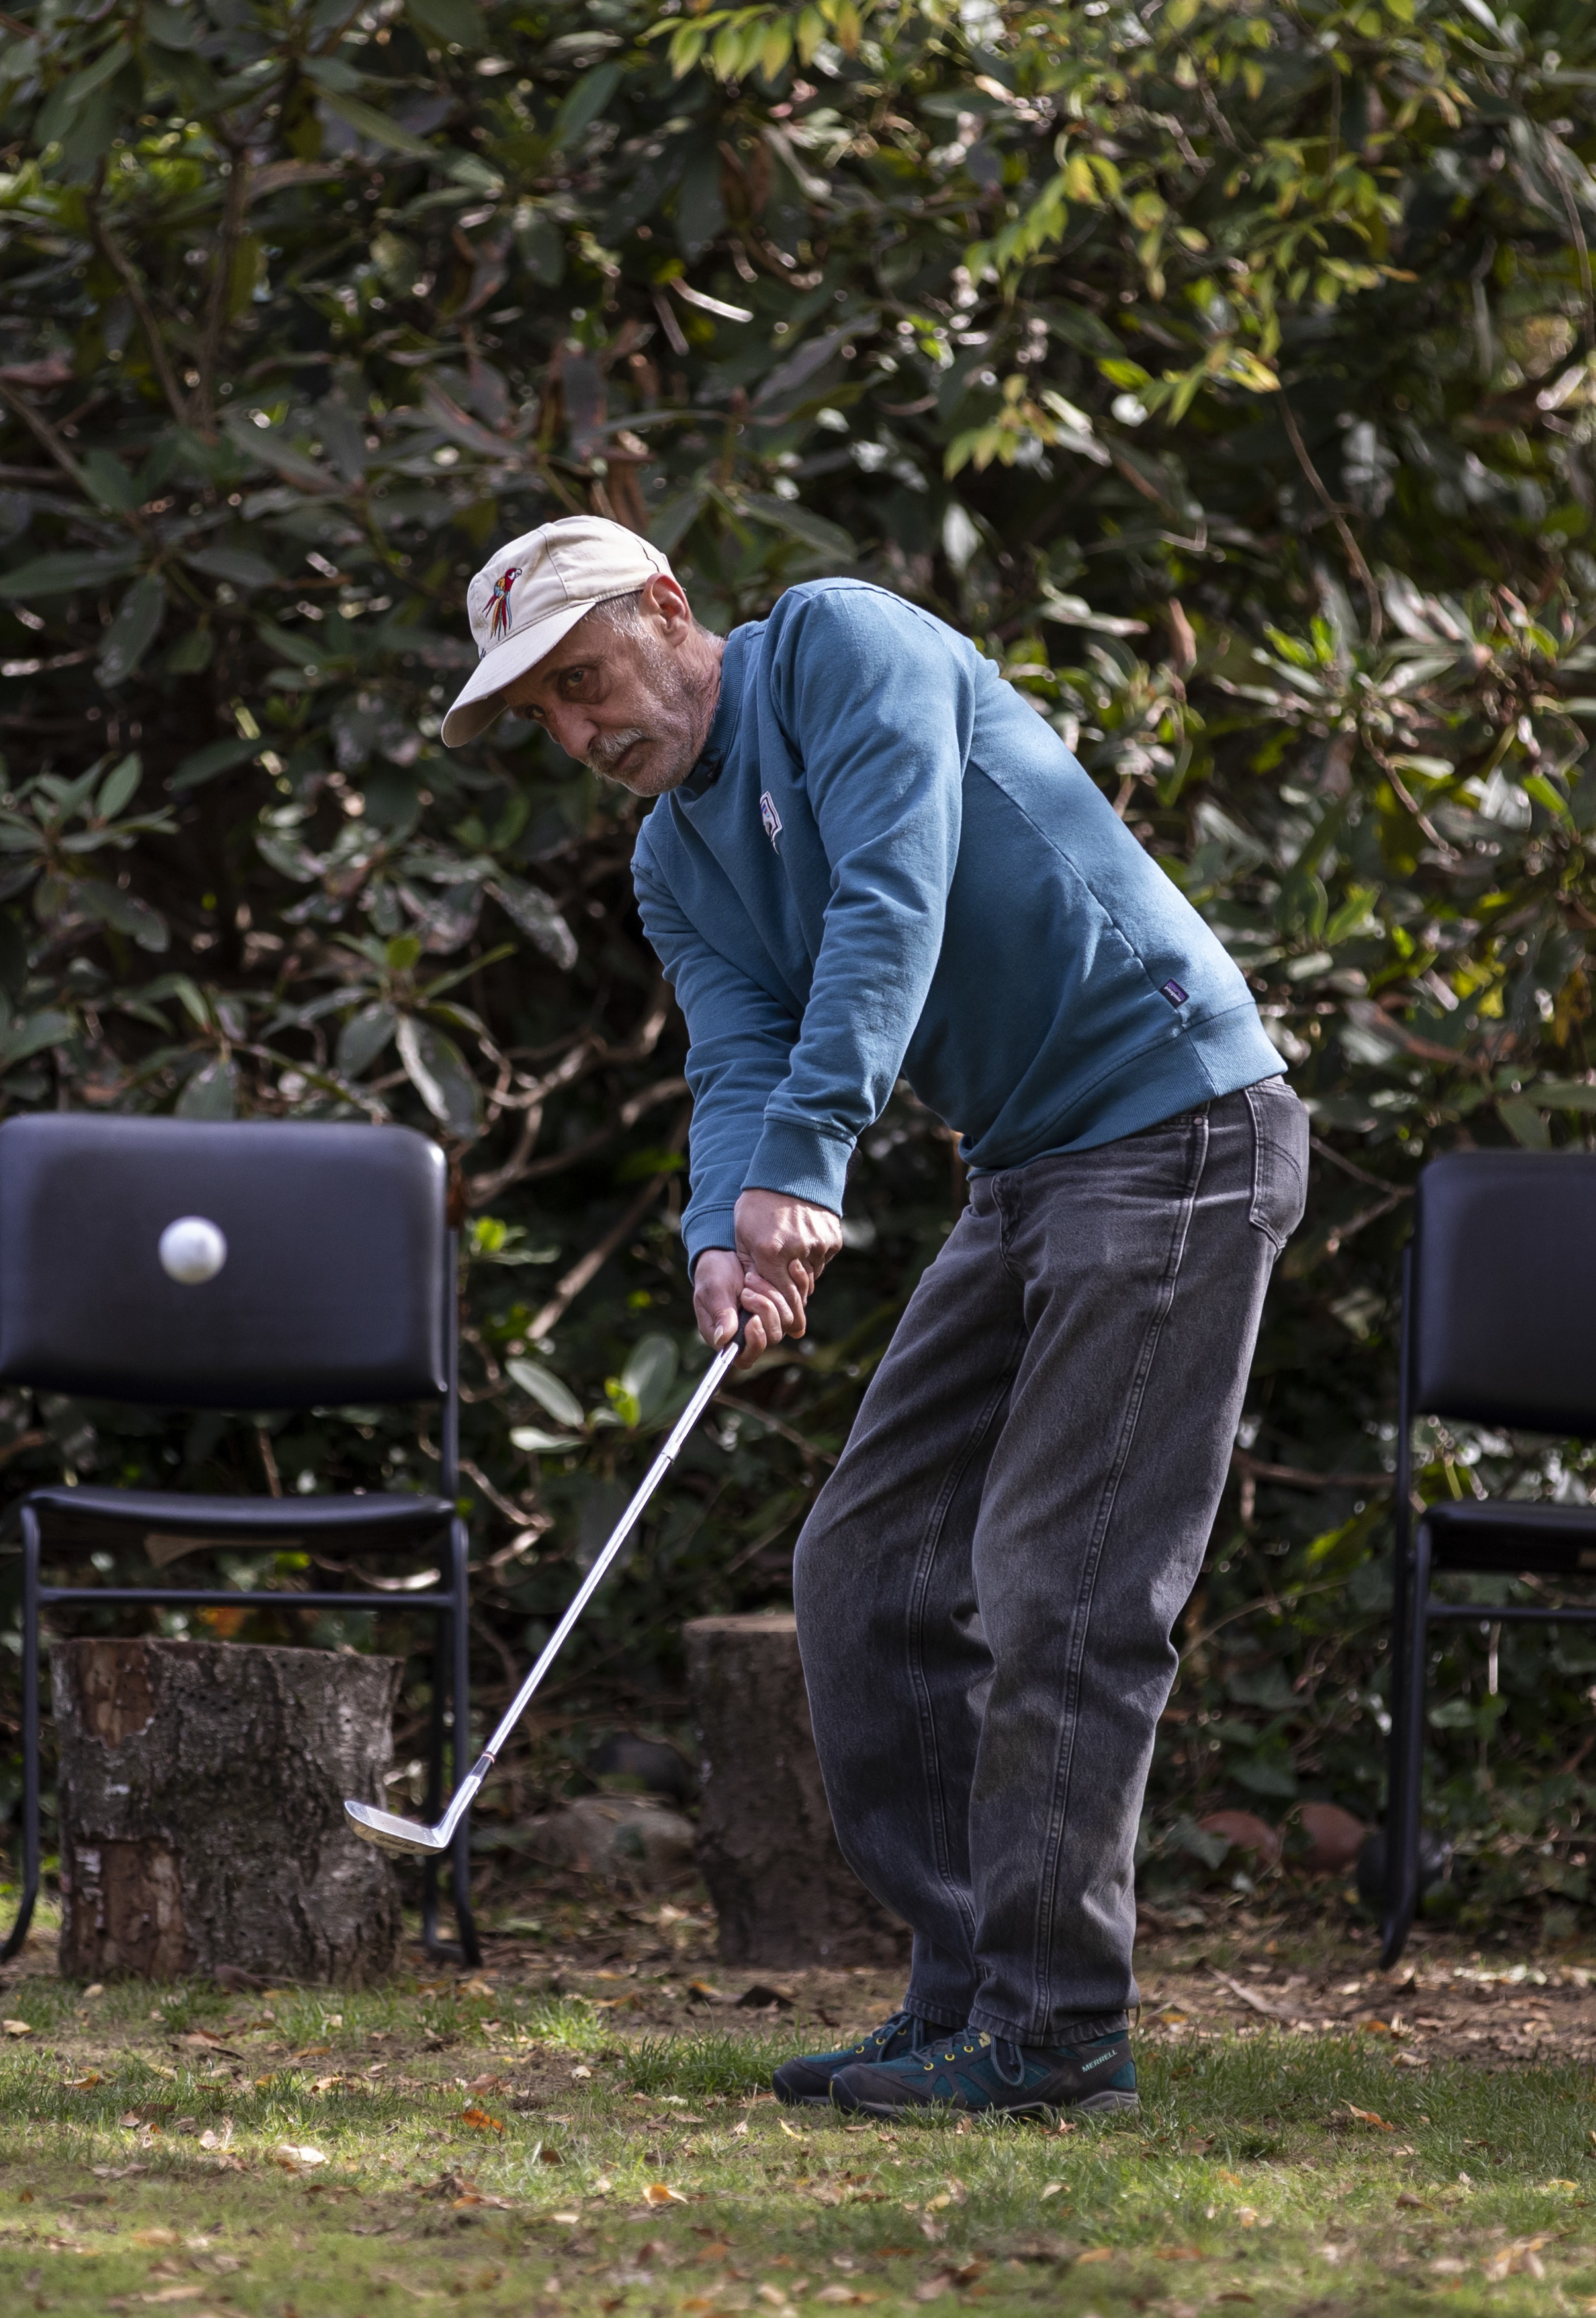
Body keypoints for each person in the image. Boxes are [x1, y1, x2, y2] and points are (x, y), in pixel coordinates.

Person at [445, 515, 1305, 2118]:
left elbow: (888, 898)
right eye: (543, 715)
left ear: (667, 610)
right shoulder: (670, 860)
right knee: (868, 1567)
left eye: (583, 678)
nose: (578, 731)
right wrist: (725, 1230)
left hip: (1179, 1126)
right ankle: (969, 1992)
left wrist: (810, 1161)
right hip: (1032, 1170)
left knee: (1064, 1586)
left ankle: (1060, 2037)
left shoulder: (843, 647)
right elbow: (735, 1056)